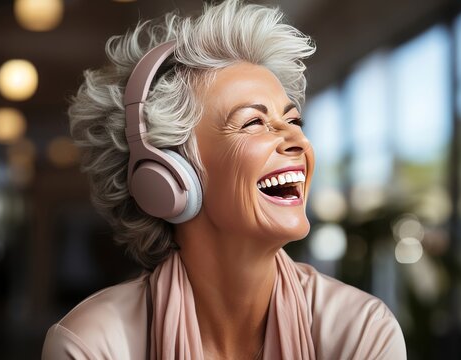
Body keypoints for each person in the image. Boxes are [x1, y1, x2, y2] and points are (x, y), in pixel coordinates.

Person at [42, 0, 406, 359]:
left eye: (294, 121)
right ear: (167, 175)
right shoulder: (92, 344)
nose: (298, 141)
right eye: (253, 122)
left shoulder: (360, 331)